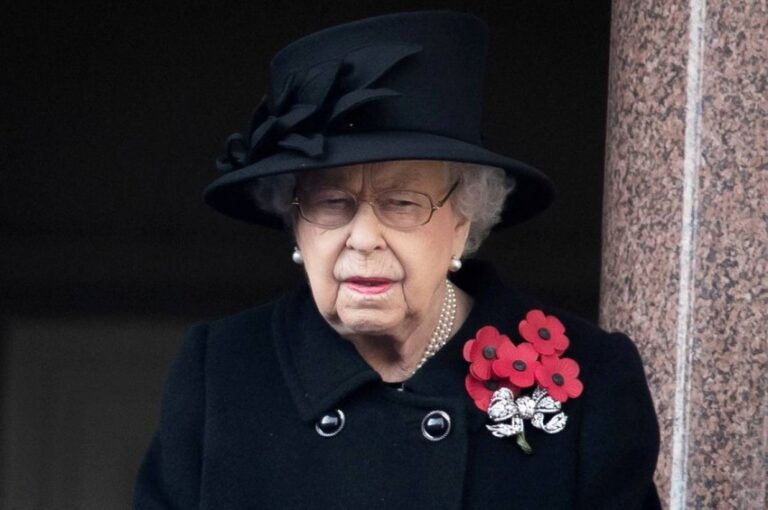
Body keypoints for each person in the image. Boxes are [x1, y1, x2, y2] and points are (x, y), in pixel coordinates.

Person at [134, 11, 660, 509]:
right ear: (296, 223)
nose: (363, 238)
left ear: (463, 224)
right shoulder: (223, 371)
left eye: (402, 203)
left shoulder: (591, 379)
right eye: (331, 203)